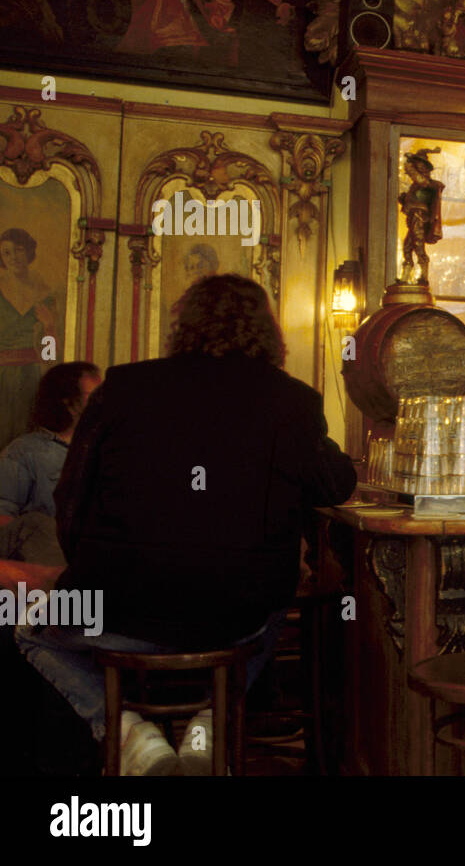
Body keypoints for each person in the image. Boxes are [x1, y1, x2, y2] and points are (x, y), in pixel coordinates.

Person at [17, 274, 356, 775]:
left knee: (30, 631)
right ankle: (208, 723)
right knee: (274, 606)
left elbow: (70, 499)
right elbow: (337, 486)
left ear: (184, 325)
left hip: (117, 606)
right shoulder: (293, 401)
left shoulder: (123, 386)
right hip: (236, 617)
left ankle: (131, 734)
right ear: (267, 331)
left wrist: (91, 563)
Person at [0, 361, 100, 586]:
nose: (103, 403)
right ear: (69, 403)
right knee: (38, 523)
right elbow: (4, 520)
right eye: (94, 395)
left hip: (94, 554)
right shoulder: (25, 451)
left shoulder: (104, 452)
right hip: (46, 557)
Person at [0, 228, 60, 450]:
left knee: (25, 442)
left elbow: (50, 355)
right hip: (1, 378)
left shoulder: (44, 294)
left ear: (29, 252)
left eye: (19, 250)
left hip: (30, 378)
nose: (13, 258)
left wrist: (49, 325)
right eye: (6, 253)